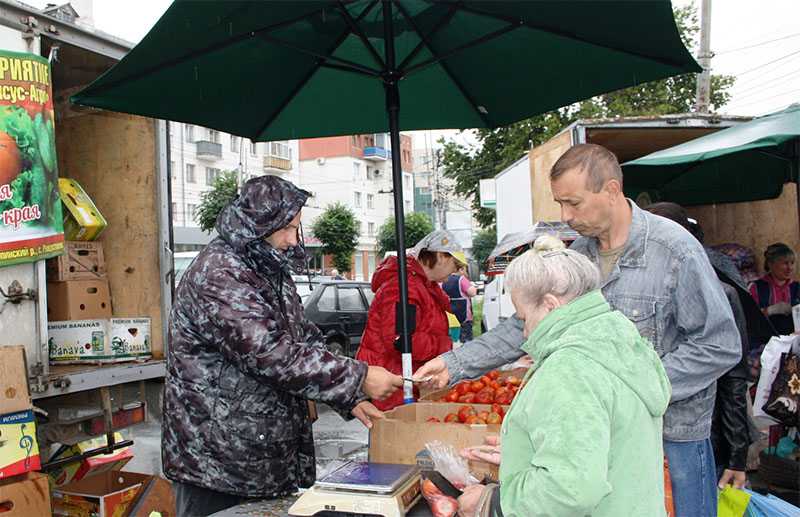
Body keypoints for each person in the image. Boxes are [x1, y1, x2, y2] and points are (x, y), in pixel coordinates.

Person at [415, 144, 740, 516]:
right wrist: (455, 363)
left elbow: (720, 344)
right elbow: (524, 326)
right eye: (560, 204)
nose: (566, 216)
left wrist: (637, 388)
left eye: (574, 203)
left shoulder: (675, 251)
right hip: (597, 437)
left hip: (674, 435)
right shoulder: (578, 254)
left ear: (612, 191)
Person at [162, 176, 403, 516]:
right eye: (286, 228)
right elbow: (271, 354)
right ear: (258, 222)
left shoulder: (266, 265)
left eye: (296, 228)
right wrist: (357, 376)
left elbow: (302, 336)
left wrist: (349, 397)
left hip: (260, 454)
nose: (293, 240)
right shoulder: (221, 271)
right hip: (218, 462)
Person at [456, 236, 671, 516]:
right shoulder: (616, 339)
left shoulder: (570, 367)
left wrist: (493, 502)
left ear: (550, 305)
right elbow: (606, 451)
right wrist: (524, 453)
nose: (524, 334)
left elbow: (570, 489)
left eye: (523, 318)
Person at [644, 201, 759, 490]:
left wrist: (736, 456)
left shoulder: (720, 292)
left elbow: (734, 379)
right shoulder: (644, 289)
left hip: (706, 438)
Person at [356, 229, 466, 411]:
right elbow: (400, 340)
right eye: (455, 263)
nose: (457, 270)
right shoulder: (404, 287)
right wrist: (446, 347)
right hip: (393, 384)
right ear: (440, 256)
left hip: (406, 379)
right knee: (395, 436)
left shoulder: (423, 285)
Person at [749, 242, 799, 335]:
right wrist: (769, 311)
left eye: (792, 263)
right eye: (785, 263)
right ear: (771, 265)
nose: (790, 268)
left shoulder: (797, 288)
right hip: (765, 340)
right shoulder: (756, 287)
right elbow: (747, 317)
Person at [441, 263, 478, 342]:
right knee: (466, 340)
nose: (466, 272)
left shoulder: (443, 280)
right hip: (464, 314)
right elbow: (472, 292)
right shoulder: (461, 279)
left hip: (449, 315)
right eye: (465, 270)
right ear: (460, 270)